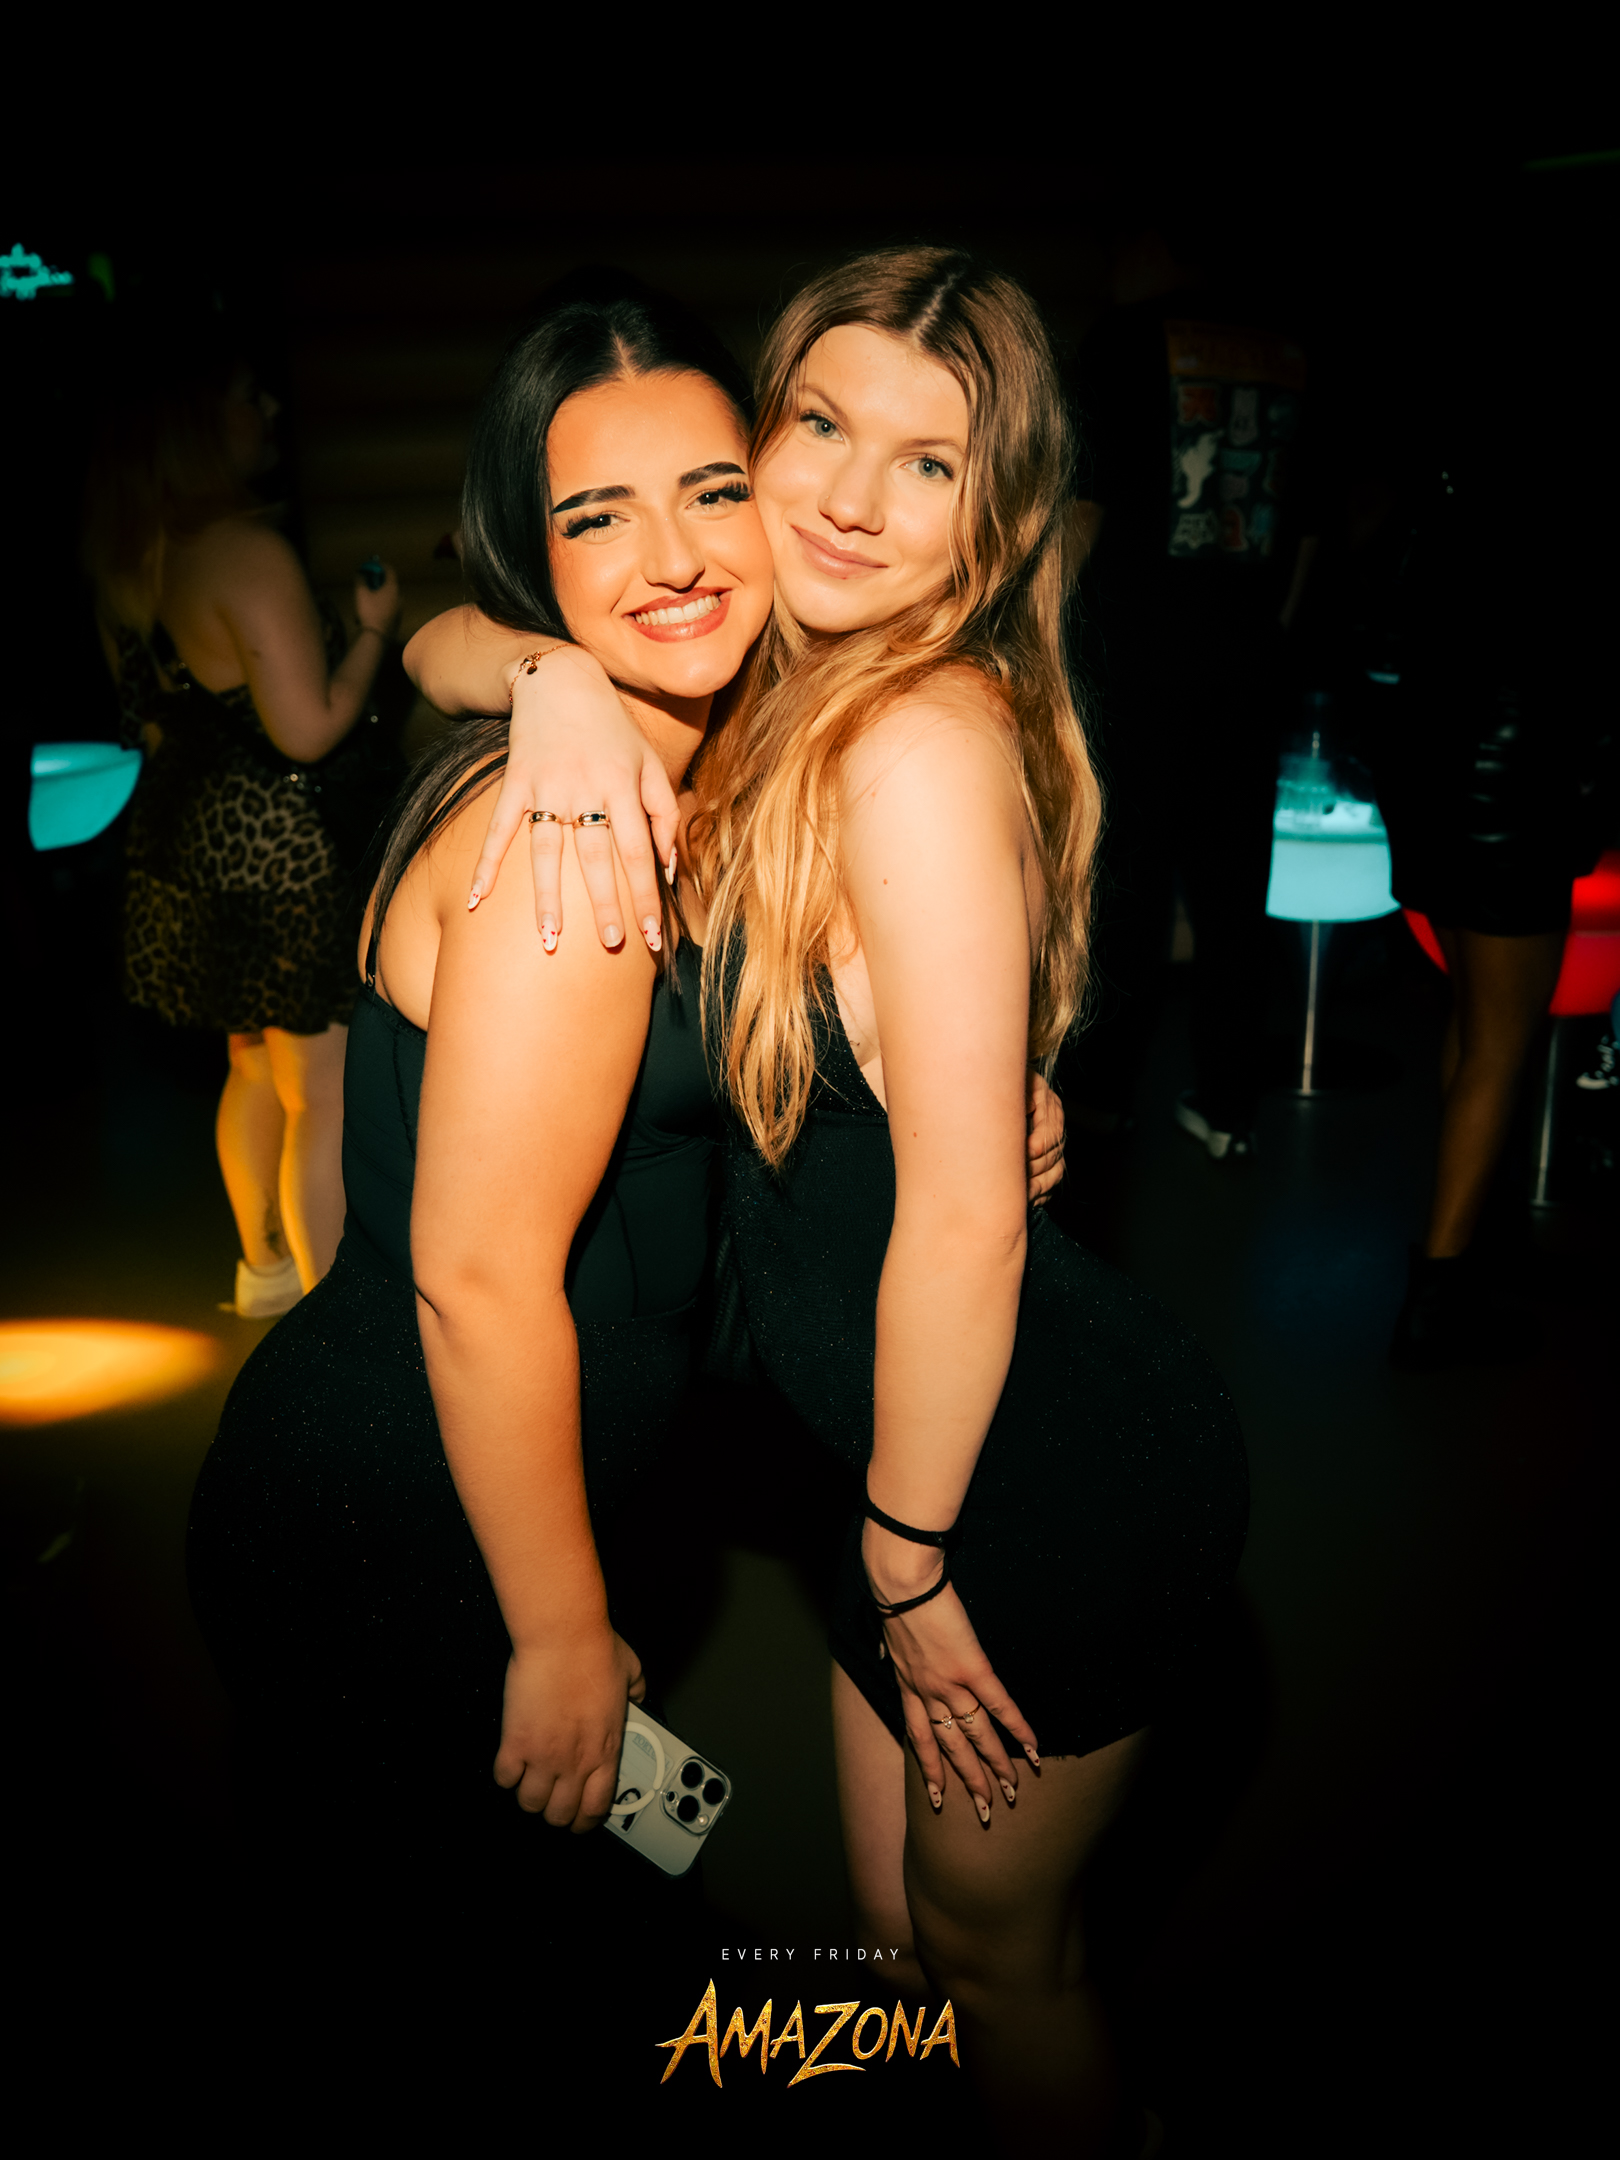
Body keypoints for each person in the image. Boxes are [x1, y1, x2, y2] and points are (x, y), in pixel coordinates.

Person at [410, 246, 1248, 2154]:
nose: (854, 499)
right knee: (894, 1943)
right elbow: (426, 639)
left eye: (928, 463)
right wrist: (545, 675)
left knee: (1001, 1966)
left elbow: (965, 1220)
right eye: (820, 426)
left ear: (994, 513)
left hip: (1018, 1492)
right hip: (895, 1477)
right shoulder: (777, 684)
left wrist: (906, 1559)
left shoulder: (916, 743)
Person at [187, 276, 1071, 1980]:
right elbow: (478, 1283)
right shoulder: (571, 841)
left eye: (710, 490)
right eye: (596, 516)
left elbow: (449, 647)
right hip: (410, 1519)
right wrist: (560, 1631)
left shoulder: (683, 752)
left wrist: (941, 1072)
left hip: (503, 1495)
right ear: (535, 551)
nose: (670, 557)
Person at [84, 321, 402, 1314]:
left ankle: (263, 1269)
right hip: (280, 857)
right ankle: (329, 1320)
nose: (268, 411)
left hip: (187, 851)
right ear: (194, 423)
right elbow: (307, 731)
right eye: (244, 396)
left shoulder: (131, 558)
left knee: (253, 1070)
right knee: (322, 1094)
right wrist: (373, 635)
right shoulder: (246, 551)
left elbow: (153, 727)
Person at [1056, 215, 1323, 1160]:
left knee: (1121, 883)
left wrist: (1033, 638)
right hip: (1251, 663)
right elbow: (1314, 526)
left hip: (1137, 662)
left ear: (1156, 240)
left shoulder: (1123, 340)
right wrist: (1274, 634)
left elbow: (1083, 506)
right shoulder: (1288, 344)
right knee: (1235, 892)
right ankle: (1228, 1106)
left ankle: (1099, 1098)